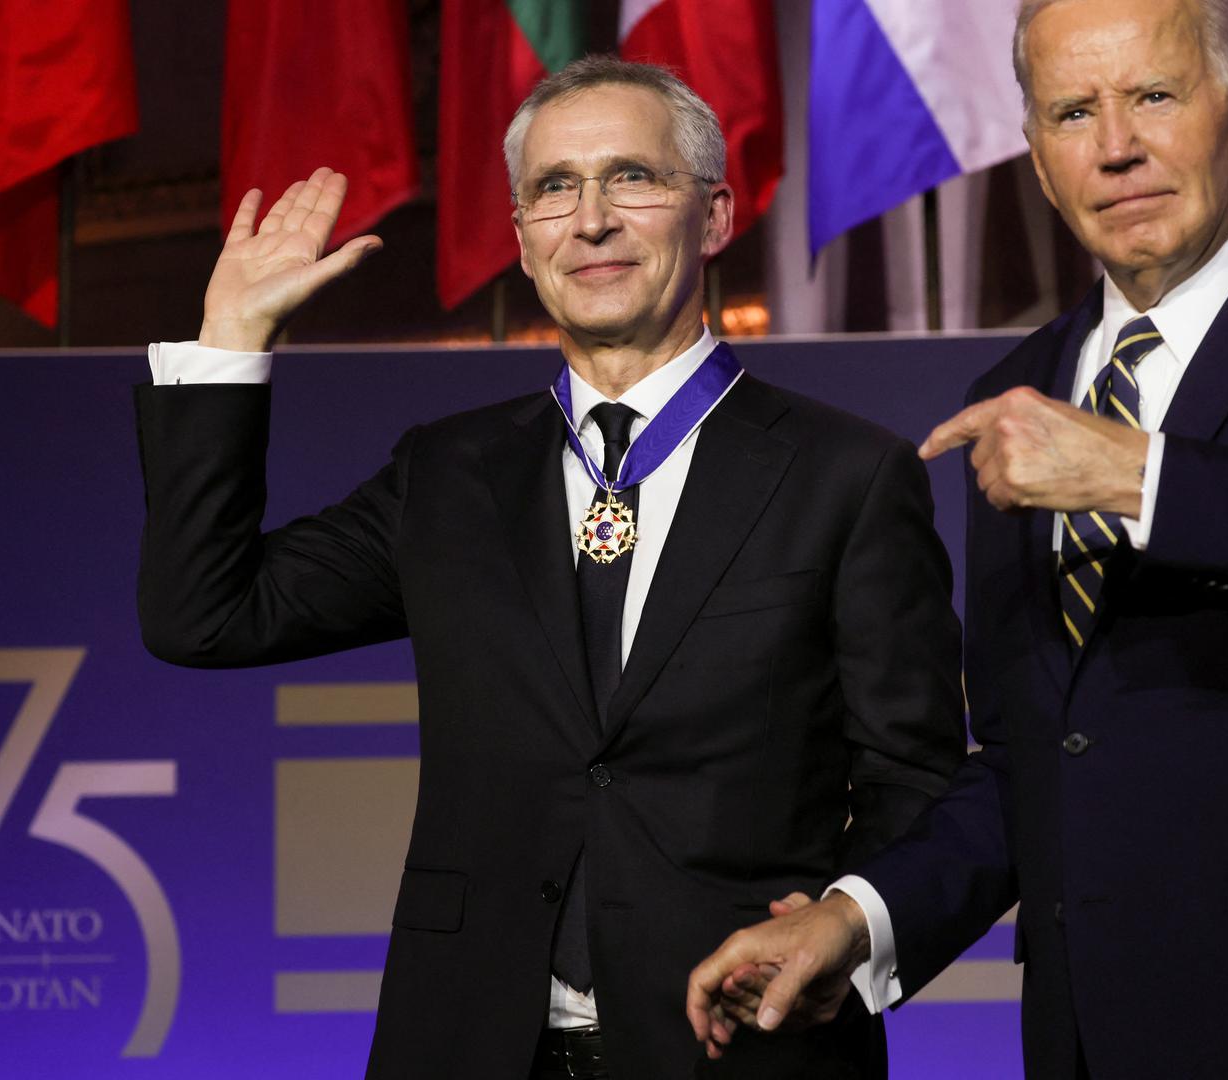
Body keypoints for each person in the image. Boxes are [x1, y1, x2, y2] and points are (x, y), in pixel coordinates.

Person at [135, 57, 965, 1079]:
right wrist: (230, 342)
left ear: (713, 216)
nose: (592, 219)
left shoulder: (847, 474)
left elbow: (914, 777)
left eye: (632, 178)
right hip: (470, 1044)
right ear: (523, 238)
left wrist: (844, 922)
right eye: (554, 188)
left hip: (741, 1052)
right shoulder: (448, 473)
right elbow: (204, 615)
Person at [686, 1, 1228, 1076]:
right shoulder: (1017, 393)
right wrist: (857, 919)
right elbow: (1039, 749)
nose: (1117, 145)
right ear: (1037, 159)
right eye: (1074, 112)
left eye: (1154, 96)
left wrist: (1137, 474)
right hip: (1087, 1028)